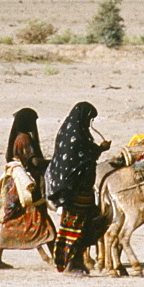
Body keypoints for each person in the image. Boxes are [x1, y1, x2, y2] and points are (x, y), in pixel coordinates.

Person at [44, 101, 112, 275]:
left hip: (85, 192)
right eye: (89, 118)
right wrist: (100, 149)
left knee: (92, 224)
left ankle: (79, 262)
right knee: (75, 228)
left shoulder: (76, 132)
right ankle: (70, 265)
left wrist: (98, 149)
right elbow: (82, 157)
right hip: (74, 192)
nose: (90, 123)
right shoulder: (75, 135)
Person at [0, 107, 57, 269]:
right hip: (28, 185)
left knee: (14, 220)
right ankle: (58, 258)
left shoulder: (18, 138)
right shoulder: (24, 139)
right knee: (42, 221)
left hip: (18, 184)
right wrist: (54, 161)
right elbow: (34, 162)